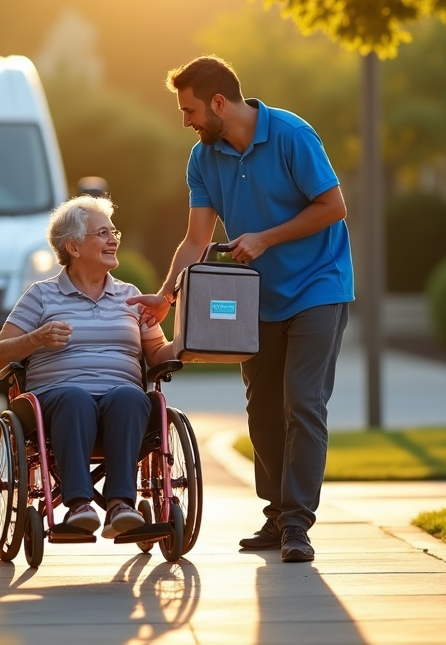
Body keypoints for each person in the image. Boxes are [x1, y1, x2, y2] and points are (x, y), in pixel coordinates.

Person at [127, 55, 354, 562]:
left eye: (189, 110)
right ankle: (276, 515)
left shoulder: (292, 135)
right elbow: (196, 240)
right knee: (262, 407)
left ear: (218, 102)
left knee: (303, 400)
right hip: (258, 297)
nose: (185, 121)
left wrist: (267, 238)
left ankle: (297, 524)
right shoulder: (204, 158)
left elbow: (334, 206)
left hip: (320, 285)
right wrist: (166, 296)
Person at [0, 195, 172, 538]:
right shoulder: (41, 296)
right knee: (75, 398)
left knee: (131, 397)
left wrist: (189, 341)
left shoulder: (130, 296)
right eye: (102, 233)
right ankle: (79, 506)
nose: (114, 239)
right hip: (56, 403)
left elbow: (159, 353)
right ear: (73, 246)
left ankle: (121, 505)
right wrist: (36, 339)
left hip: (121, 401)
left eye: (113, 232)